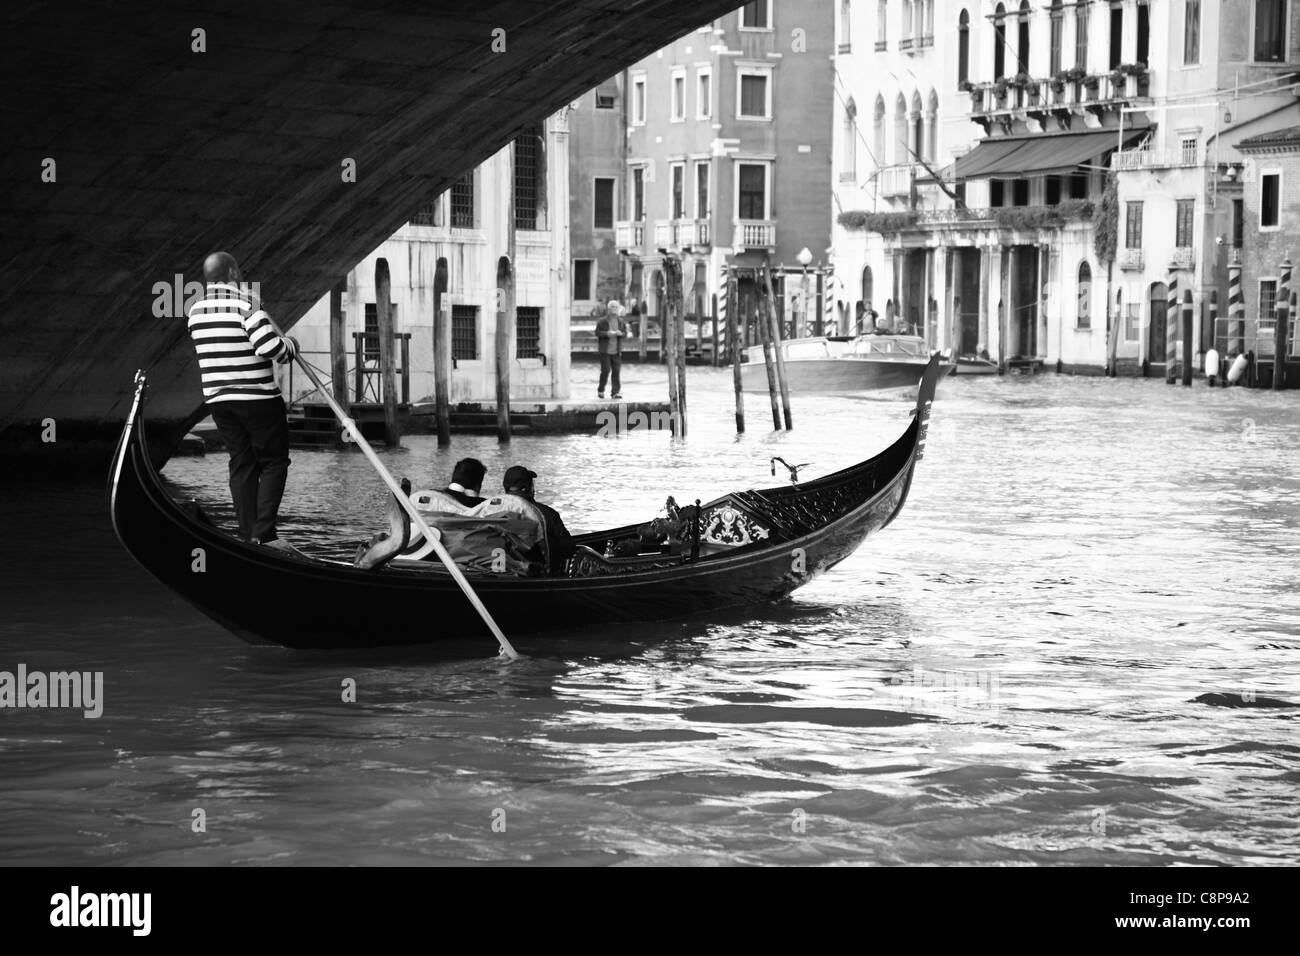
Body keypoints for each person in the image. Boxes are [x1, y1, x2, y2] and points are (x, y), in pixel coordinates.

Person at [187, 251, 299, 549]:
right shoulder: (247, 305)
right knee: (274, 461)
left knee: (242, 463)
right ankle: (263, 533)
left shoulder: (195, 311)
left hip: (219, 401)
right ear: (234, 272)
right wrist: (291, 345)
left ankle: (247, 533)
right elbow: (270, 349)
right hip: (257, 398)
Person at [501, 465, 574, 575]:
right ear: (529, 488)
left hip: (502, 571)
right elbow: (568, 548)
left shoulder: (493, 510)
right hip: (538, 575)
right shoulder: (547, 514)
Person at [595, 300, 627, 399]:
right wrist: (607, 334)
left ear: (618, 309)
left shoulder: (621, 321)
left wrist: (621, 334)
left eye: (616, 307)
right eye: (612, 307)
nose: (614, 309)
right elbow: (597, 333)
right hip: (605, 351)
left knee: (616, 371)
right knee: (606, 370)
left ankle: (615, 392)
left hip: (617, 351)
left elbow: (625, 333)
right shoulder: (602, 321)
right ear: (609, 309)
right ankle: (601, 390)